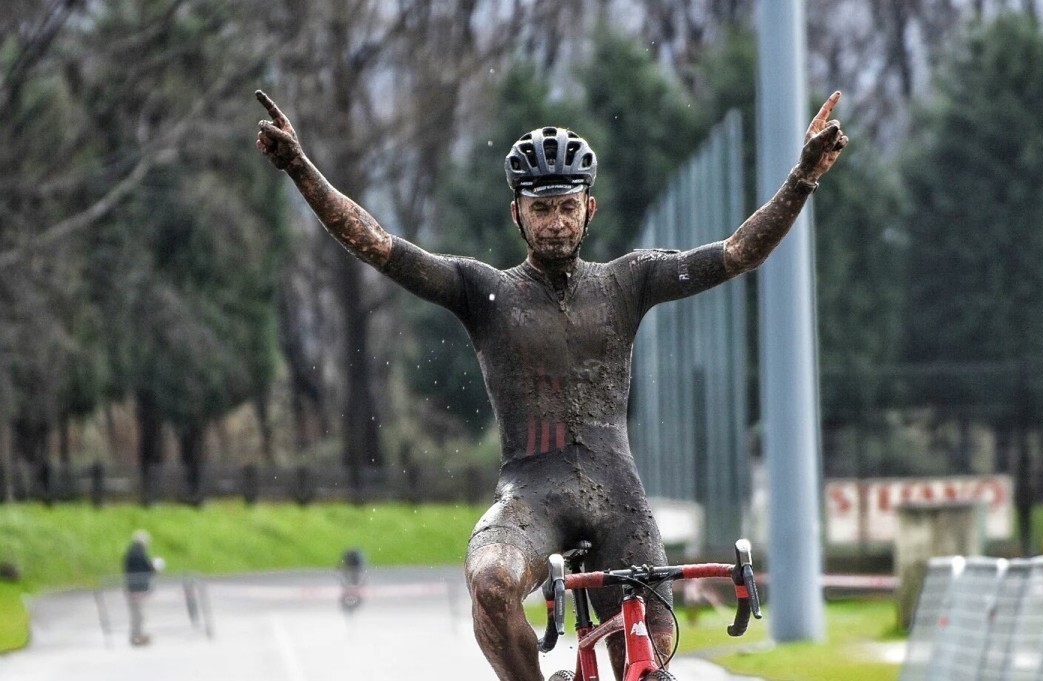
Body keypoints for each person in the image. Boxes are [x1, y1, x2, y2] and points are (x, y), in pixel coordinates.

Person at [255, 88, 847, 681]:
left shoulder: (629, 280)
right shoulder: (482, 291)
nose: (556, 222)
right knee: (490, 579)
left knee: (650, 651)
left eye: (567, 206)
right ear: (517, 214)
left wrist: (802, 177)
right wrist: (301, 169)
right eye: (541, 210)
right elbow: (379, 245)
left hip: (621, 501)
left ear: (592, 208)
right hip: (532, 498)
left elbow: (739, 253)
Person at [123, 529, 164, 646]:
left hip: (133, 587)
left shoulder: (132, 552)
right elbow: (144, 569)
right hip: (136, 588)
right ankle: (136, 636)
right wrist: (154, 567)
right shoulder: (138, 554)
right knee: (138, 614)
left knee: (137, 614)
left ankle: (137, 635)